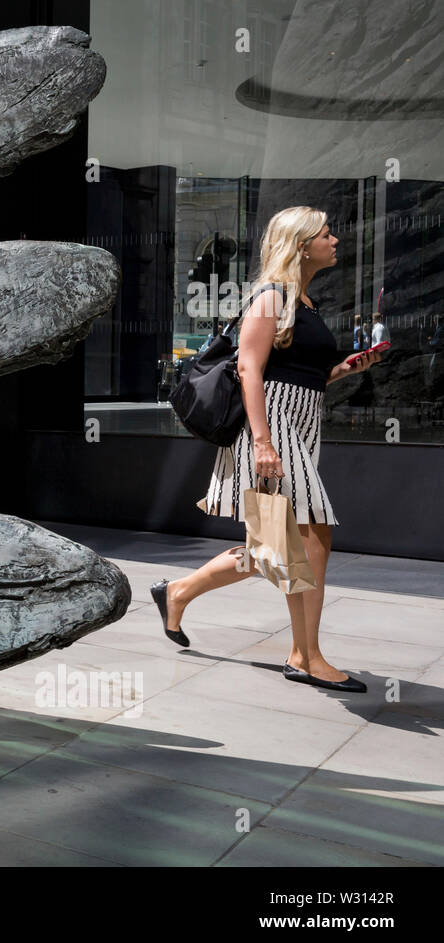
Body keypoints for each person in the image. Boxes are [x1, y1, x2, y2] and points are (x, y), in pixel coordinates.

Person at [151, 206, 383, 693]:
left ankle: (178, 592)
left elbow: (300, 371)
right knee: (312, 533)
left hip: (299, 422)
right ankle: (306, 656)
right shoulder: (271, 296)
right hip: (271, 424)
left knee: (274, 548)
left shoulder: (306, 301)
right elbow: (250, 369)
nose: (335, 240)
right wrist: (261, 441)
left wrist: (345, 371)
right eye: (326, 233)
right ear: (301, 244)